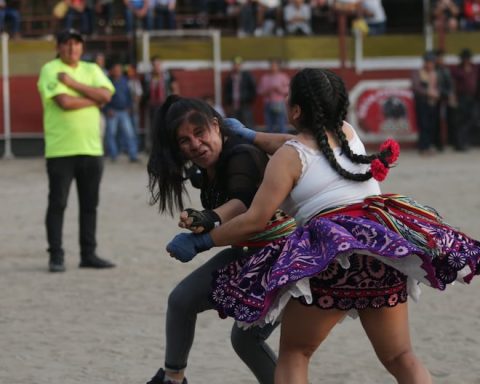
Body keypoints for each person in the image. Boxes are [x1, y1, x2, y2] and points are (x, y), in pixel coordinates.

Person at [167, 68, 480, 383]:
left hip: (335, 256)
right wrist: (251, 135)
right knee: (400, 356)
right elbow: (299, 145)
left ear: (296, 110)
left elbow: (254, 220)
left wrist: (204, 241)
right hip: (383, 251)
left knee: (295, 354)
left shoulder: (287, 159)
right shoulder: (347, 132)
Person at [145, 96, 296, 384]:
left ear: (216, 125)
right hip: (249, 253)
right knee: (181, 300)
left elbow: (244, 203)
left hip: (286, 259)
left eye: (199, 133)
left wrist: (209, 219)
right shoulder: (206, 167)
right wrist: (203, 219)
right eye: (184, 141)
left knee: (246, 341)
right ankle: (173, 378)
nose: (195, 144)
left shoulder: (241, 154)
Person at [37, 28, 116, 272]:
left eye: (77, 44)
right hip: (61, 149)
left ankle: (88, 254)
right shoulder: (50, 69)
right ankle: (56, 255)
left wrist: (72, 83)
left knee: (90, 204)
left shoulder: (91, 69)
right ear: (58, 47)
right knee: (58, 203)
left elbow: (107, 95)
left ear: (82, 47)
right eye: (67, 44)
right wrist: (95, 99)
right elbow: (65, 102)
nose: (72, 48)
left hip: (91, 148)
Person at [104, 62, 139, 162]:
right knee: (111, 134)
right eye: (116, 70)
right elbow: (104, 98)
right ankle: (113, 155)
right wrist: (107, 109)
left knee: (130, 134)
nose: (118, 72)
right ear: (112, 71)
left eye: (119, 70)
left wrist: (129, 107)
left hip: (124, 111)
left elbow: (129, 96)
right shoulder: (107, 82)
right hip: (112, 111)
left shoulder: (125, 81)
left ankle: (133, 155)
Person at [411, 51, 440, 155]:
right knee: (423, 124)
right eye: (429, 62)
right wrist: (428, 92)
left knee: (431, 125)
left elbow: (439, 86)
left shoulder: (435, 73)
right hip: (422, 102)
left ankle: (428, 146)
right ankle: (423, 147)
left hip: (432, 103)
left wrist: (437, 93)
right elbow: (416, 87)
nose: (430, 65)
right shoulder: (418, 72)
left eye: (432, 62)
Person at [223, 56, 257, 129]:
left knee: (247, 124)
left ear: (241, 65)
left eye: (238, 65)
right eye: (235, 64)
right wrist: (228, 103)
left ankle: (250, 140)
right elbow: (226, 91)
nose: (236, 66)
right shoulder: (230, 77)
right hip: (233, 105)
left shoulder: (246, 76)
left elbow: (253, 89)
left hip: (244, 104)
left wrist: (248, 100)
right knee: (234, 125)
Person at [257, 59, 290, 133]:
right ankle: (270, 140)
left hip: (279, 103)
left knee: (281, 123)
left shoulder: (283, 76)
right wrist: (267, 90)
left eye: (274, 66)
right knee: (269, 124)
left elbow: (288, 89)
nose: (273, 67)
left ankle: (283, 139)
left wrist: (279, 89)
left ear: (278, 67)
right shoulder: (265, 77)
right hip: (268, 103)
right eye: (271, 66)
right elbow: (259, 90)